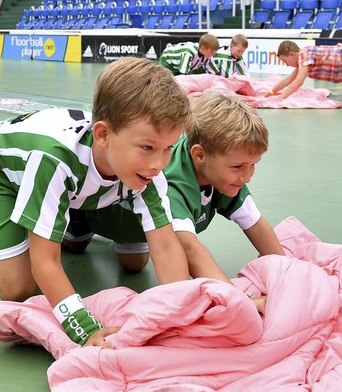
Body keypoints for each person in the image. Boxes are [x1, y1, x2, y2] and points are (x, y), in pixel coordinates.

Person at [0, 59, 198, 347]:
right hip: (0, 170)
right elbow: (44, 262)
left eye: (168, 148)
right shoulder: (55, 161)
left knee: (136, 261)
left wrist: (181, 315)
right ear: (103, 135)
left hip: (67, 183)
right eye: (148, 147)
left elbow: (164, 244)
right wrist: (84, 329)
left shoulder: (142, 160)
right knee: (17, 288)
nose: (159, 163)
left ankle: (62, 220)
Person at [70, 92, 284, 282]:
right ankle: (77, 218)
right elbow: (188, 247)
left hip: (134, 225)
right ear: (199, 155)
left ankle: (128, 234)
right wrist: (235, 300)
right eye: (239, 166)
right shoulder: (172, 182)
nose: (247, 176)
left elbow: (254, 222)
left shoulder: (224, 168)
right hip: (101, 213)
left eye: (253, 164)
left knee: (134, 265)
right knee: (75, 246)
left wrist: (285, 273)